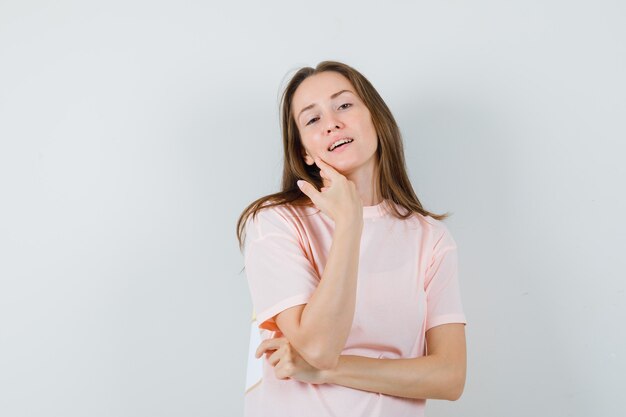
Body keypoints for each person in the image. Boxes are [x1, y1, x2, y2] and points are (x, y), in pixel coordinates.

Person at [236, 61, 467, 417]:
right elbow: (318, 346)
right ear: (305, 153)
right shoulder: (275, 222)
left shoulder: (430, 238)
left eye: (344, 105)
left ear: (376, 118)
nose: (332, 123)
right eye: (312, 119)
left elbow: (449, 377)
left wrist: (330, 369)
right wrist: (349, 223)